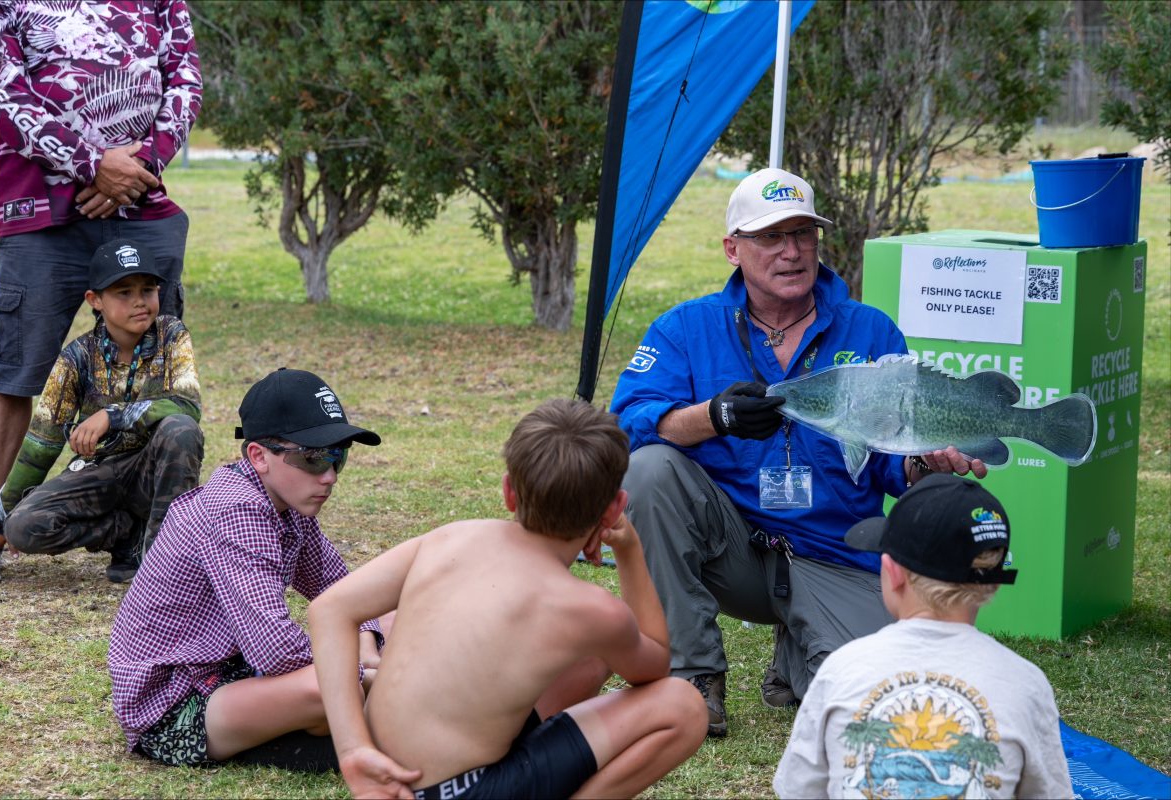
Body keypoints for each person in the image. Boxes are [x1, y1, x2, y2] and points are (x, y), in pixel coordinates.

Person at [610, 167, 987, 736]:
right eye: (770, 237)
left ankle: (798, 654)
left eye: (803, 234)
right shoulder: (685, 328)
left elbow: (888, 460)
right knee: (648, 471)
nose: (791, 252)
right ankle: (692, 674)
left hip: (833, 553)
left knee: (877, 703)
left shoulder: (872, 332)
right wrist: (715, 416)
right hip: (730, 548)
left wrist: (919, 463)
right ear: (732, 249)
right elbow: (625, 424)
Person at [309, 399, 708, 799]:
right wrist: (630, 549)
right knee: (683, 705)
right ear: (616, 508)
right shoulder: (592, 610)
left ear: (508, 492)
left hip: (383, 773)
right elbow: (656, 665)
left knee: (592, 654)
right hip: (463, 791)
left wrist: (353, 749)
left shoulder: (451, 537)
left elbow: (329, 609)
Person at [0, 1, 202, 582]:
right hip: (39, 212)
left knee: (155, 364)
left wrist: (137, 167)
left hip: (142, 203)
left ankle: (146, 527)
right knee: (15, 368)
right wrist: (91, 164)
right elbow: (3, 93)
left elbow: (185, 77)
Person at [107, 368, 391, 772]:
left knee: (396, 616)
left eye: (337, 456)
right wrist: (366, 671)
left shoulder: (290, 502)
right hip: (174, 699)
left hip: (235, 668)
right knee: (330, 686)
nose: (328, 476)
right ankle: (325, 730)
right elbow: (276, 651)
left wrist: (365, 637)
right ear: (258, 456)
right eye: (312, 457)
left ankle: (314, 728)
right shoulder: (238, 509)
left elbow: (344, 590)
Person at [772, 474, 1074, 798]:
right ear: (993, 582)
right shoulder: (1026, 684)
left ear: (893, 572)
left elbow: (799, 789)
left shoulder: (840, 670)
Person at [0, 238, 202, 585]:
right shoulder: (76, 358)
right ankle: (126, 536)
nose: (139, 301)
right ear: (95, 301)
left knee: (181, 430)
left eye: (148, 289)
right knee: (24, 527)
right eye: (124, 292)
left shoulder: (171, 335)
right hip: (100, 473)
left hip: (151, 469)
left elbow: (187, 405)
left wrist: (112, 415)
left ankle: (164, 567)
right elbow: (39, 448)